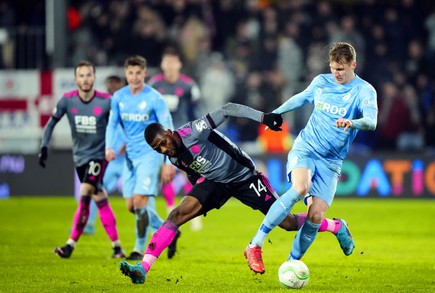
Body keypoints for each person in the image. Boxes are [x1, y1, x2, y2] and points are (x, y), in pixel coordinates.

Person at [118, 102, 354, 284]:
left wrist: (264, 118)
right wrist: (201, 191)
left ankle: (335, 226)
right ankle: (143, 269)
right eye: (158, 148)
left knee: (289, 223)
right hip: (216, 183)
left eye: (163, 142)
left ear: (169, 132)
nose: (164, 148)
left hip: (245, 177)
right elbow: (193, 173)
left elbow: (229, 109)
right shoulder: (172, 157)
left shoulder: (192, 131)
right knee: (176, 215)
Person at [244, 42, 378, 274]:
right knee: (299, 188)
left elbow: (372, 121)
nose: (336, 73)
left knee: (314, 216)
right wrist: (274, 114)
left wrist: (352, 122)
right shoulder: (321, 82)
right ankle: (255, 244)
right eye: (334, 68)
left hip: (332, 161)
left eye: (342, 69)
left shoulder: (364, 91)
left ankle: (290, 263)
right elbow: (301, 98)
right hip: (306, 148)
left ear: (353, 65)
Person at [38, 61, 125, 259]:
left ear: (94, 78)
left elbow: (122, 123)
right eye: (81, 75)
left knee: (85, 193)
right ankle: (117, 247)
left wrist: (121, 145)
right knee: (99, 197)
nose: (85, 79)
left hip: (98, 157)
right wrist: (44, 146)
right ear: (76, 79)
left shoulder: (105, 101)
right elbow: (51, 124)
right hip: (79, 158)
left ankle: (70, 245)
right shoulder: (67, 101)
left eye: (89, 75)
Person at [105, 55, 177, 261]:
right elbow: (112, 124)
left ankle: (138, 248)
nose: (134, 77)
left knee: (140, 201)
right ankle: (170, 230)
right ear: (126, 74)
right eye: (130, 73)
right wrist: (109, 147)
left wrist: (167, 162)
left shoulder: (155, 98)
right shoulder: (119, 97)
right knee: (132, 206)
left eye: (138, 73)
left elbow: (167, 130)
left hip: (150, 155)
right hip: (130, 156)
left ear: (144, 73)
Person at [148, 48, 204, 230]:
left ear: (179, 64)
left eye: (173, 62)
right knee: (166, 173)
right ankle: (171, 209)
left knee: (189, 173)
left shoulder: (189, 85)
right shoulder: (155, 85)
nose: (170, 66)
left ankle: (193, 212)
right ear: (162, 64)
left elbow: (197, 110)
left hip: (182, 135)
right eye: (167, 62)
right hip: (160, 137)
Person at [84, 75, 126, 235]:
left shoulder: (129, 104)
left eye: (116, 84)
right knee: (96, 189)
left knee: (139, 195)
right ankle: (88, 224)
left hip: (128, 160)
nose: (112, 87)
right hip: (111, 160)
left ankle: (155, 228)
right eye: (110, 84)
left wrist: (129, 145)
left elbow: (140, 127)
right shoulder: (103, 106)